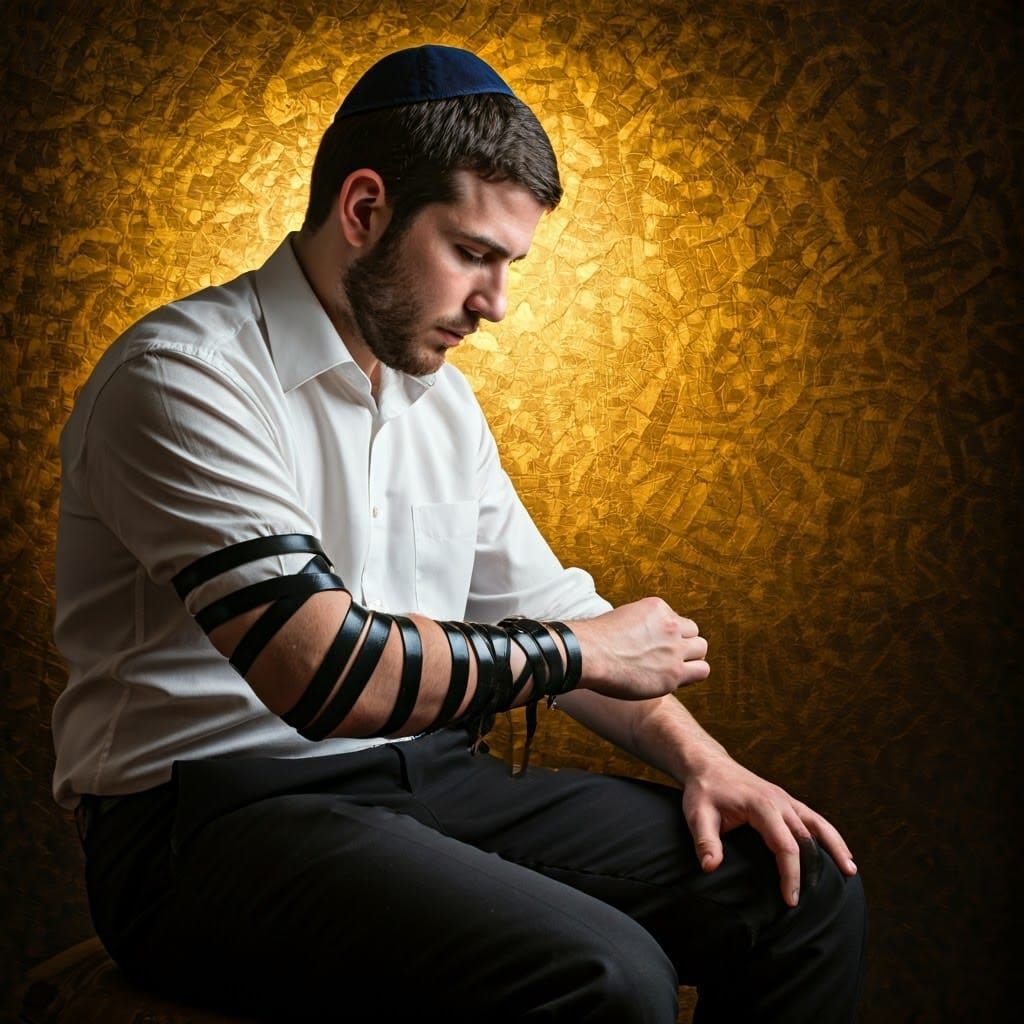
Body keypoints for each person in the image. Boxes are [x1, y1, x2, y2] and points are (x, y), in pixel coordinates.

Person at [52, 44, 866, 1023]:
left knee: (799, 886)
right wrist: (575, 653)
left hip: (425, 779)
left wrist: (704, 760)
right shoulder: (184, 376)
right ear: (364, 211)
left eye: (508, 264)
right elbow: (321, 670)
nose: (496, 304)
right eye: (473, 254)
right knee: (606, 975)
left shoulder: (437, 400)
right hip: (211, 822)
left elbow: (548, 607)